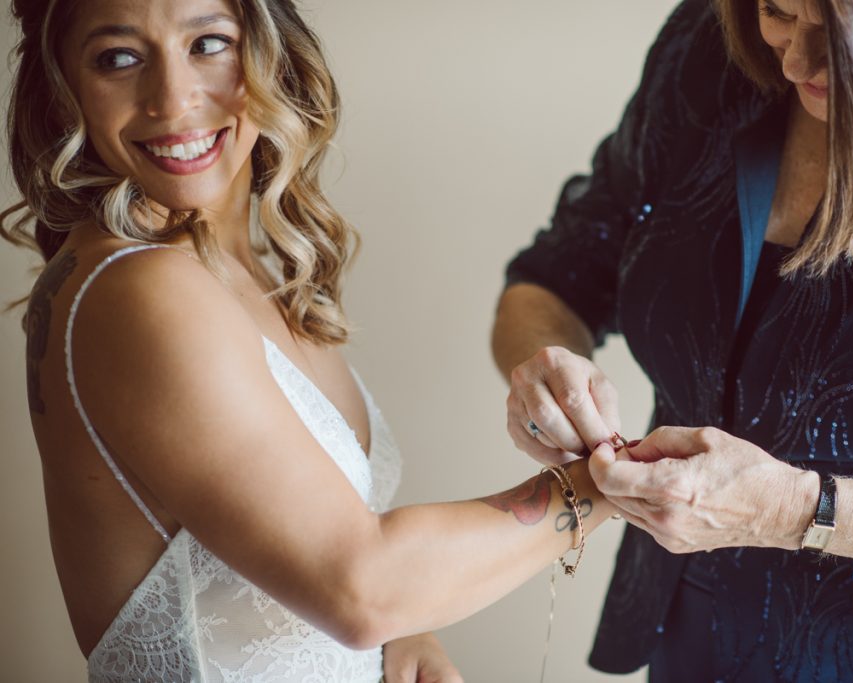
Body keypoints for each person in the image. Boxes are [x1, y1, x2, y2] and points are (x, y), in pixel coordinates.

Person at [0, 0, 619, 681]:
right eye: (120, 57)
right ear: (65, 86)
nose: (173, 99)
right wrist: (607, 485)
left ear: (271, 51)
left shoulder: (237, 269)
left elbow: (317, 559)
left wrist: (408, 631)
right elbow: (361, 588)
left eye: (209, 44)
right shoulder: (139, 292)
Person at [493, 0, 853, 680]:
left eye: (835, 33)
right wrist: (542, 368)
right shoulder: (707, 52)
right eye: (777, 10)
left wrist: (794, 507)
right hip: (690, 640)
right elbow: (560, 270)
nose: (795, 60)